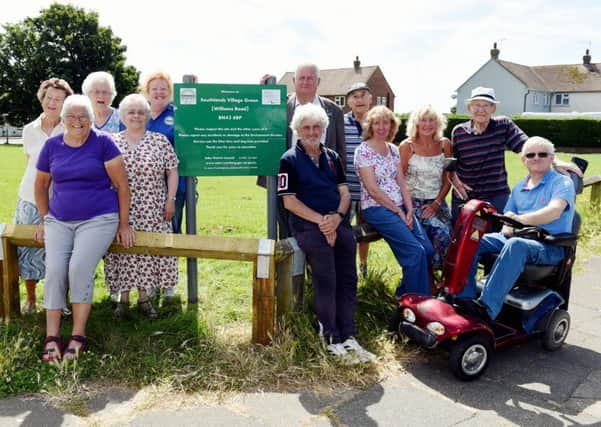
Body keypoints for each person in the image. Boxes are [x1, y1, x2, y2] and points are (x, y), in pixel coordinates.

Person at [34, 95, 134, 362]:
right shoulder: (52, 146)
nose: (77, 122)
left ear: (91, 119)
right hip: (58, 219)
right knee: (55, 270)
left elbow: (122, 186)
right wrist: (44, 218)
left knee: (79, 267)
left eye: (83, 117)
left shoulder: (103, 143)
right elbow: (41, 185)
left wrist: (124, 224)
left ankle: (78, 336)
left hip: (99, 218)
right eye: (72, 116)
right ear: (63, 119)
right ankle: (52, 337)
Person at [277, 103, 375, 363]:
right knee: (326, 278)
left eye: (316, 127)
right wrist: (323, 222)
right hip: (308, 226)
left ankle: (348, 336)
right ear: (298, 130)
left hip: (336, 221)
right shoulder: (289, 159)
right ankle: (330, 338)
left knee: (348, 278)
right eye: (306, 127)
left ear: (323, 128)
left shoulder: (332, 157)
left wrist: (337, 218)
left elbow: (345, 194)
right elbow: (289, 202)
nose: (311, 131)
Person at [461, 137, 576, 321]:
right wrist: (508, 226)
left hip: (548, 245)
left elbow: (554, 212)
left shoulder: (562, 183)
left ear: (551, 157)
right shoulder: (519, 187)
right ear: (524, 160)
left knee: (516, 245)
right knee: (473, 240)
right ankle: (464, 298)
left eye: (542, 154)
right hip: (516, 237)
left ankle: (486, 308)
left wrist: (520, 221)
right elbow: (508, 217)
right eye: (530, 155)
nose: (536, 158)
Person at [451, 86, 580, 221]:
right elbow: (451, 164)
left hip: (496, 194)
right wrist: (455, 181)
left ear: (493, 108)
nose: (481, 110)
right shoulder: (459, 132)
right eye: (476, 105)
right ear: (469, 108)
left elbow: (529, 146)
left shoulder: (503, 125)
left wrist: (555, 161)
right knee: (460, 238)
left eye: (486, 105)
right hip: (465, 195)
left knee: (499, 235)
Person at [104, 94, 179, 319]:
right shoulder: (112, 141)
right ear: (123, 116)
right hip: (121, 207)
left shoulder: (159, 140)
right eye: (131, 112)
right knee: (124, 250)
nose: (136, 116)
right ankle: (123, 299)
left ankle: (145, 299)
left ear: (146, 115)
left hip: (153, 207)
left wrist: (171, 199)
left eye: (140, 112)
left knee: (147, 251)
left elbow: (172, 170)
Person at [354, 106, 433, 297]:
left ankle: (402, 294)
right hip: (377, 208)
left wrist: (408, 209)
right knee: (415, 253)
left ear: (392, 125)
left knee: (428, 251)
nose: (381, 127)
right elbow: (373, 190)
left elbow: (402, 183)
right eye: (377, 122)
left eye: (386, 122)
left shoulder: (393, 149)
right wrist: (397, 211)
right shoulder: (363, 151)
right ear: (370, 125)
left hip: (400, 206)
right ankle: (420, 302)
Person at [261, 63, 345, 238]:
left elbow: (339, 149)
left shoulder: (334, 110)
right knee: (286, 233)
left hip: (322, 185)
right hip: (287, 183)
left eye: (310, 78)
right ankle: (289, 266)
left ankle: (314, 266)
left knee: (321, 232)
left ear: (318, 81)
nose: (306, 81)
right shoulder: (278, 106)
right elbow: (256, 118)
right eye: (301, 78)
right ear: (294, 81)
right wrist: (261, 91)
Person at [15, 77, 74, 314]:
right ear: (42, 99)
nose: (53, 102)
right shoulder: (29, 130)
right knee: (28, 250)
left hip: (62, 201)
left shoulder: (71, 128)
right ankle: (30, 299)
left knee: (63, 252)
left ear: (66, 103)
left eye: (58, 99)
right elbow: (30, 163)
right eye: (49, 97)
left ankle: (64, 301)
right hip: (29, 199)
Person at [400, 105, 452, 271]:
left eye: (432, 120)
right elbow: (399, 180)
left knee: (445, 236)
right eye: (423, 120)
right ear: (416, 123)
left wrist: (436, 203)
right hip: (412, 203)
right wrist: (408, 208)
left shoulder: (445, 145)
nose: (427, 124)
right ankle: (424, 278)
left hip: (437, 203)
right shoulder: (407, 146)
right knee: (426, 241)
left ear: (438, 124)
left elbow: (448, 179)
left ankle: (439, 279)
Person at [141, 71, 193, 236]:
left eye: (163, 88)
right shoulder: (139, 114)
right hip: (144, 186)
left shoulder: (180, 113)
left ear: (170, 92)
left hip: (175, 185)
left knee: (171, 230)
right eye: (154, 88)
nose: (159, 92)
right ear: (147, 92)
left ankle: (172, 263)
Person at [344, 82, 373, 277]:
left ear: (370, 99)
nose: (359, 99)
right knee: (345, 232)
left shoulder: (377, 121)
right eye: (355, 96)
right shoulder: (339, 121)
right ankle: (348, 268)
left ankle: (363, 266)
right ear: (348, 101)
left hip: (369, 191)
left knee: (365, 233)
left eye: (363, 95)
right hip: (345, 189)